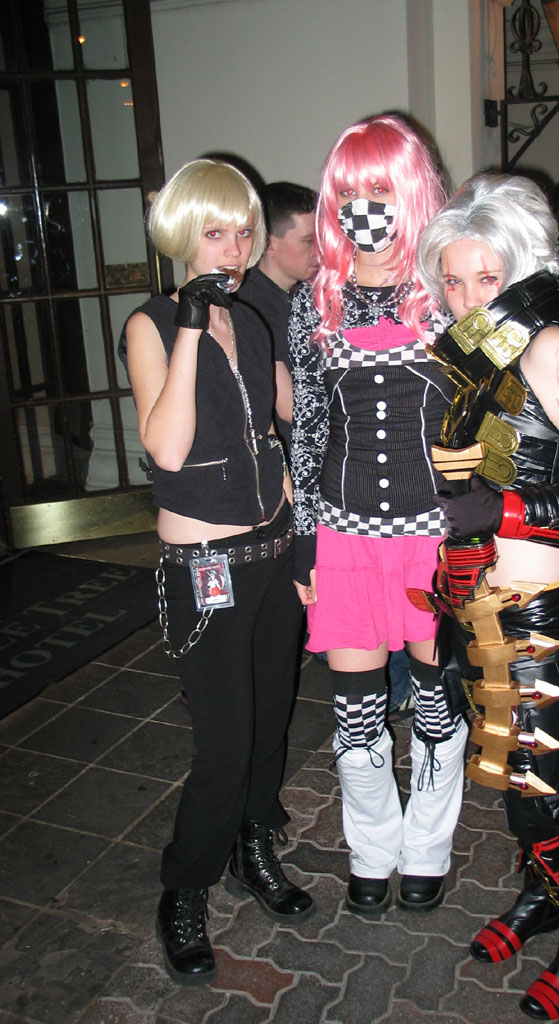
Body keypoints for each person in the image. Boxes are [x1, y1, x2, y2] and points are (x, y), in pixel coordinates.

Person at [417, 173, 559, 1020]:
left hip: (538, 609)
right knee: (512, 774)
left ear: (525, 267)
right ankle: (542, 896)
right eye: (453, 279)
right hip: (477, 598)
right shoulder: (478, 357)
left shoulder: (551, 347)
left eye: (487, 277)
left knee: (544, 784)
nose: (467, 297)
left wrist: (507, 510)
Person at [120, 159, 313, 987]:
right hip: (206, 567)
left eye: (243, 232)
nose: (232, 250)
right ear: (180, 235)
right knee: (225, 743)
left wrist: (307, 550)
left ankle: (252, 847)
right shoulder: (151, 325)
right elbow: (166, 448)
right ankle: (185, 890)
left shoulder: (257, 318)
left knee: (270, 725)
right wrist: (193, 327)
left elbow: (286, 426)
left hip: (274, 554)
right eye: (215, 232)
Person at [289, 114, 467, 915]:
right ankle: (371, 850)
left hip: (434, 540)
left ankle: (426, 848)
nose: (366, 206)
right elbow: (308, 431)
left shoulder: (446, 295)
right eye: (351, 190)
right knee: (357, 717)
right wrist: (304, 545)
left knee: (435, 703)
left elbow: (488, 415)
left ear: (413, 192)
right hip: (346, 537)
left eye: (382, 188)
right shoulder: (313, 303)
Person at [238, 181, 318, 450]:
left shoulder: (298, 296)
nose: (319, 250)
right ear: (269, 244)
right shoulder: (252, 306)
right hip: (287, 456)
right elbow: (290, 407)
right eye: (308, 241)